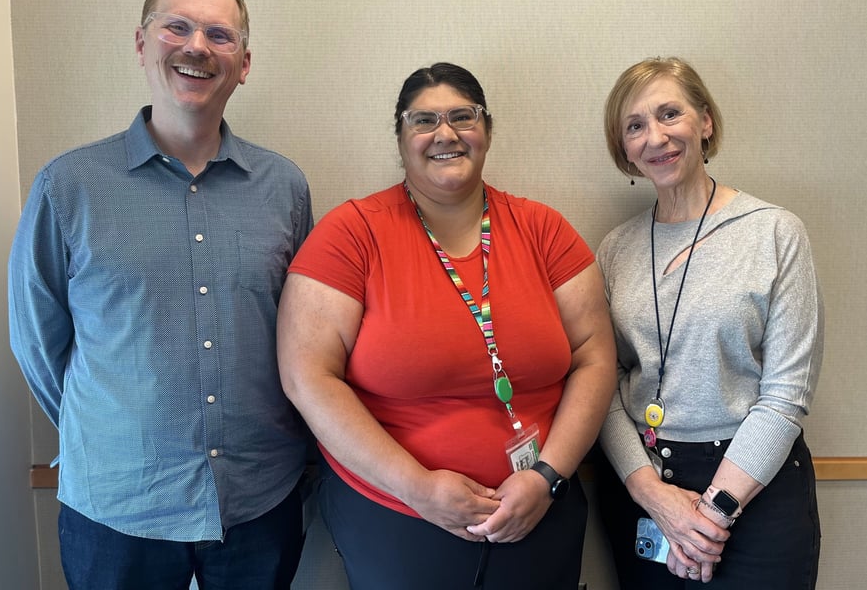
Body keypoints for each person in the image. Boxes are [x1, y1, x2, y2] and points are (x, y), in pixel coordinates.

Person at [8, 0, 313, 590]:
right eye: (178, 27)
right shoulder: (68, 189)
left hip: (258, 501)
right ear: (143, 44)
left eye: (220, 34)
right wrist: (113, 432)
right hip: (116, 508)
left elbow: (304, 339)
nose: (198, 46)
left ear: (244, 64)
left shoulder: (285, 188)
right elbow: (37, 344)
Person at [276, 62, 616, 589]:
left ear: (486, 130)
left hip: (539, 508)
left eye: (463, 116)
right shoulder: (351, 234)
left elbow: (595, 355)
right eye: (424, 120)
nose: (446, 133)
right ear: (401, 137)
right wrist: (416, 487)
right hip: (396, 513)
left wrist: (546, 477)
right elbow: (307, 377)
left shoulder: (544, 230)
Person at [595, 56, 823, 588]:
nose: (655, 136)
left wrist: (710, 516)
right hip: (645, 483)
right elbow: (599, 386)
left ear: (705, 121)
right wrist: (653, 496)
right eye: (635, 126)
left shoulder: (774, 234)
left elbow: (786, 394)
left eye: (670, 113)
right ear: (624, 148)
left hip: (756, 485)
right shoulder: (615, 249)